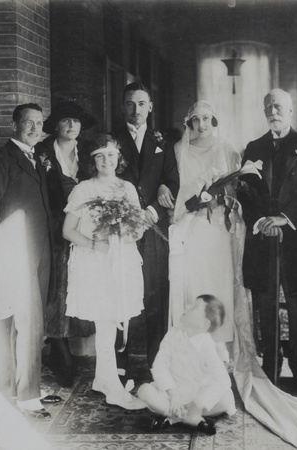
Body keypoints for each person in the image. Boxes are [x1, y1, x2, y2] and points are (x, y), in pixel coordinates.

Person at [0, 103, 62, 419]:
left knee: (20, 325)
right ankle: (27, 396)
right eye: (28, 122)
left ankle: (13, 388)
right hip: (15, 254)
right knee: (27, 324)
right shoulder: (1, 160)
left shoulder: (36, 160)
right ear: (14, 125)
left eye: (39, 123)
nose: (35, 128)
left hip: (36, 252)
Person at [62, 133, 147, 410]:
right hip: (94, 263)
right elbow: (67, 230)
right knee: (106, 323)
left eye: (110, 155)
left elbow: (137, 230)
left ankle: (102, 379)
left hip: (121, 261)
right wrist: (94, 243)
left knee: (115, 319)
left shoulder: (127, 188)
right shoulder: (83, 190)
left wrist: (124, 232)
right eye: (99, 156)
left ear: (118, 158)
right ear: (91, 161)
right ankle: (112, 386)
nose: (106, 160)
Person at [237, 88, 297, 391]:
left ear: (291, 110)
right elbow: (245, 190)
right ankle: (271, 363)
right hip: (263, 236)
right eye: (268, 107)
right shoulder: (253, 147)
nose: (274, 112)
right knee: (265, 301)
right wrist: (262, 221)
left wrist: (285, 218)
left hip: (295, 236)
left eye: (279, 106)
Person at [168, 101, 244, 360]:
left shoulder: (227, 149)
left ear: (214, 121)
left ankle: (219, 344)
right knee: (193, 282)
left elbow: (237, 187)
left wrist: (220, 196)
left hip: (217, 229)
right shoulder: (179, 150)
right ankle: (192, 345)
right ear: (189, 123)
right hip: (190, 227)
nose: (202, 125)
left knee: (218, 282)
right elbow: (173, 183)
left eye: (207, 119)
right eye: (196, 119)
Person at [114, 82, 179, 375]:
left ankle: (156, 360)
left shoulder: (163, 142)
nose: (136, 109)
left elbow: (173, 181)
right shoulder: (111, 140)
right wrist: (128, 216)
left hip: (153, 228)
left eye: (142, 104)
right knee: (122, 291)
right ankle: (121, 364)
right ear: (122, 107)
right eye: (130, 103)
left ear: (150, 107)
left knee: (154, 292)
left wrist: (152, 211)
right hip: (122, 229)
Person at [36, 101, 97, 387]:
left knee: (80, 282)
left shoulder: (87, 153)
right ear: (55, 126)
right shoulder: (43, 152)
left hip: (83, 227)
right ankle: (60, 354)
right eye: (65, 121)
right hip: (52, 228)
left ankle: (70, 347)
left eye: (76, 121)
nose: (71, 126)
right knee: (57, 286)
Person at [137, 295, 236, 435]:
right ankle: (191, 420)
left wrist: (199, 402)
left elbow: (223, 380)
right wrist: (174, 394)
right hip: (172, 395)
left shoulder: (207, 345)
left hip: (196, 399)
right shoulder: (172, 333)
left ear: (204, 324)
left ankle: (175, 418)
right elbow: (159, 366)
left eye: (194, 307)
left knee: (225, 399)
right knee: (144, 391)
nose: (187, 306)